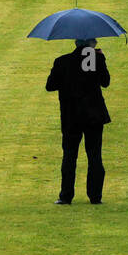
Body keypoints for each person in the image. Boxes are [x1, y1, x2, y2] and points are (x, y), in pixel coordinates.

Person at [45, 38, 110, 204]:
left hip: (71, 115)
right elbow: (105, 82)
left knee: (69, 156)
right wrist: (100, 58)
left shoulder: (62, 61)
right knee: (95, 155)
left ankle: (66, 196)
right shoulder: (96, 59)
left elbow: (50, 86)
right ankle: (95, 196)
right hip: (94, 115)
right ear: (91, 44)